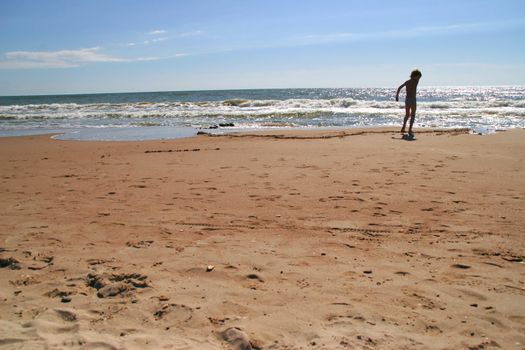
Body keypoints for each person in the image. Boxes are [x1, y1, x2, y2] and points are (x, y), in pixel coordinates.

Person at [396, 69, 422, 135]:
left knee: (407, 115)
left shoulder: (407, 82)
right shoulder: (416, 81)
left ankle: (403, 127)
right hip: (413, 100)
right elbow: (399, 87)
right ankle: (409, 130)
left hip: (407, 100)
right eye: (418, 77)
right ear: (415, 76)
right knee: (412, 115)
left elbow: (399, 87)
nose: (419, 78)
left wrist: (397, 96)